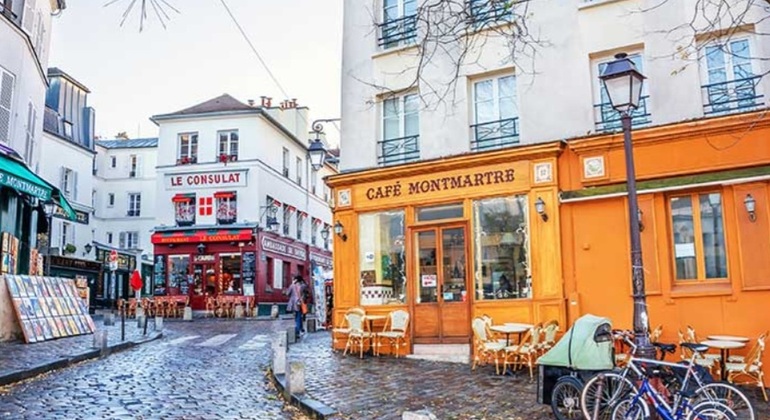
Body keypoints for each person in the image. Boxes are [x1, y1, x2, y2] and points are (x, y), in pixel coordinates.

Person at [287, 275, 308, 340]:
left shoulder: (292, 286)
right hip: (301, 302)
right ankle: (301, 328)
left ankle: (297, 332)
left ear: (296, 280)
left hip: (294, 303)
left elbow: (287, 293)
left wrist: (292, 284)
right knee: (299, 316)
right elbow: (307, 294)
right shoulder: (304, 286)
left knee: (297, 317)